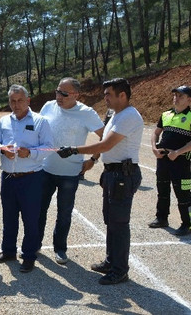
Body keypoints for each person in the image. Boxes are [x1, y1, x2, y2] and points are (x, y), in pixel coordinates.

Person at [57, 77, 143, 285]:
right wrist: (93, 160)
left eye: (108, 94)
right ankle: (111, 261)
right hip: (113, 174)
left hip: (123, 175)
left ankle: (120, 270)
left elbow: (105, 144)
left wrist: (74, 150)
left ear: (122, 95)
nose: (105, 98)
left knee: (119, 224)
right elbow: (105, 144)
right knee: (111, 221)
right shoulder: (116, 114)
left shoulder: (129, 116)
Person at [38, 78, 104, 265]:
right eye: (57, 91)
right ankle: (35, 245)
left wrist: (93, 159)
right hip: (45, 169)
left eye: (64, 94)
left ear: (76, 95)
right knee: (39, 209)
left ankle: (60, 249)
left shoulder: (86, 113)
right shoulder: (48, 106)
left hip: (70, 173)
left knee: (64, 213)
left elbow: (104, 137)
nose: (59, 96)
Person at [0, 85, 54, 273]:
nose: (16, 105)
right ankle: (8, 251)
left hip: (31, 179)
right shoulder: (3, 121)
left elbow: (49, 147)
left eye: (20, 100)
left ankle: (28, 256)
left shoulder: (41, 121)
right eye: (12, 101)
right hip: (8, 177)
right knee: (9, 217)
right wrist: (2, 150)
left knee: (30, 219)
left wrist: (31, 153)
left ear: (28, 101)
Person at [149, 85, 191, 236]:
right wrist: (154, 148)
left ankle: (188, 223)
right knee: (162, 191)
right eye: (175, 95)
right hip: (163, 160)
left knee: (183, 194)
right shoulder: (165, 114)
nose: (176, 98)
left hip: (181, 163)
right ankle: (161, 218)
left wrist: (178, 152)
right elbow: (156, 133)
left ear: (189, 99)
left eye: (180, 96)